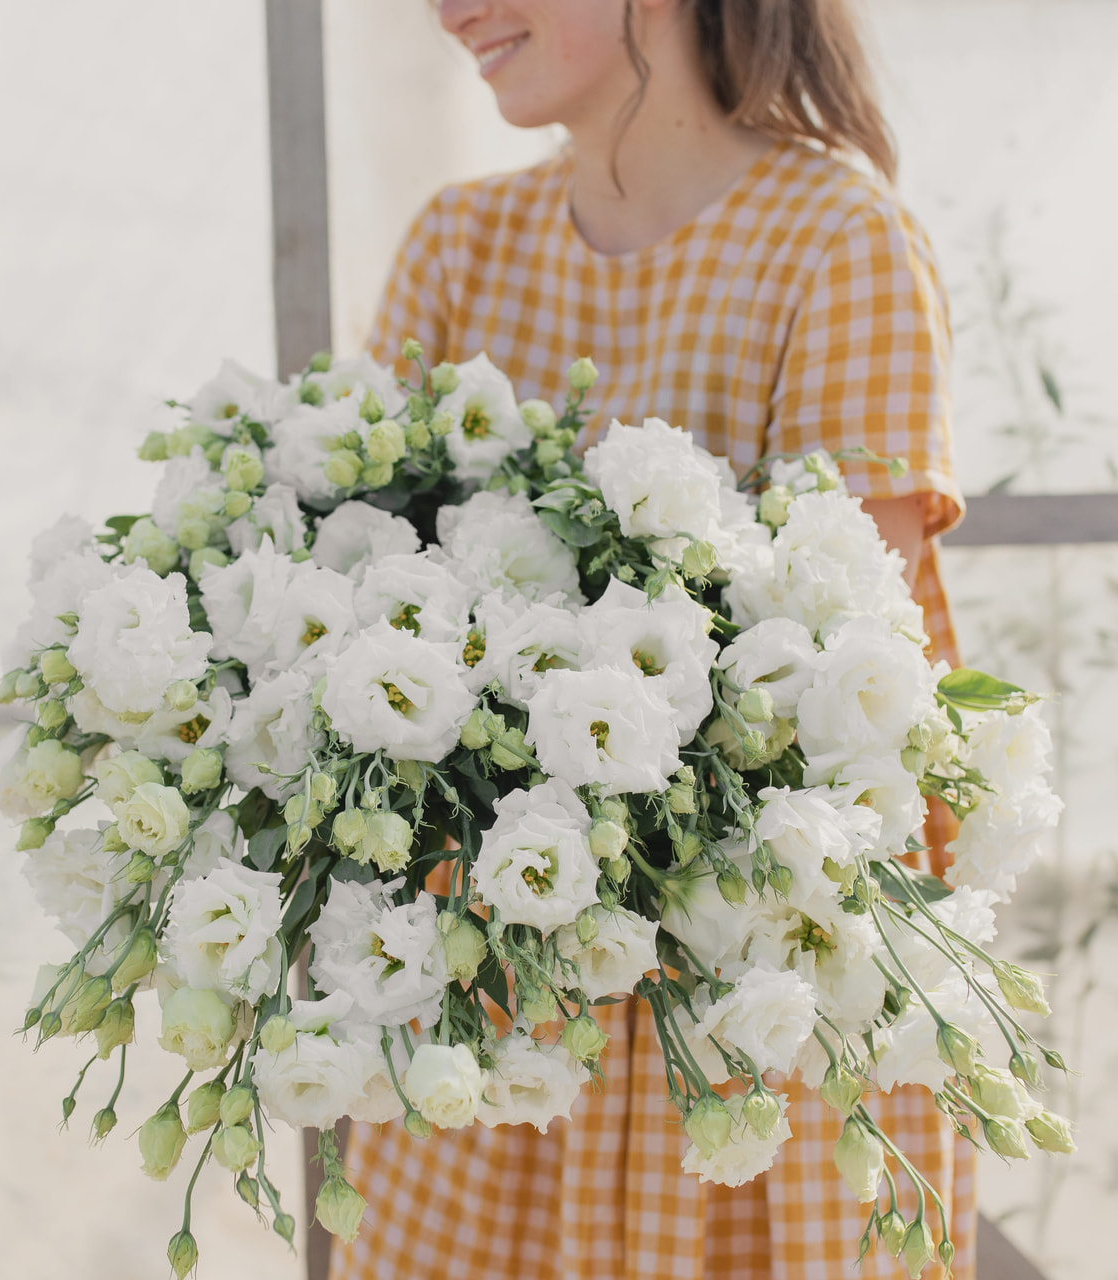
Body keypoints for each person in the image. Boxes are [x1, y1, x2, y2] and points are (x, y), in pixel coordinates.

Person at [330, 2, 970, 1277]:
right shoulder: (460, 245)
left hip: (734, 1029)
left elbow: (835, 702)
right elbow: (358, 609)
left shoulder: (836, 245)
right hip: (489, 1020)